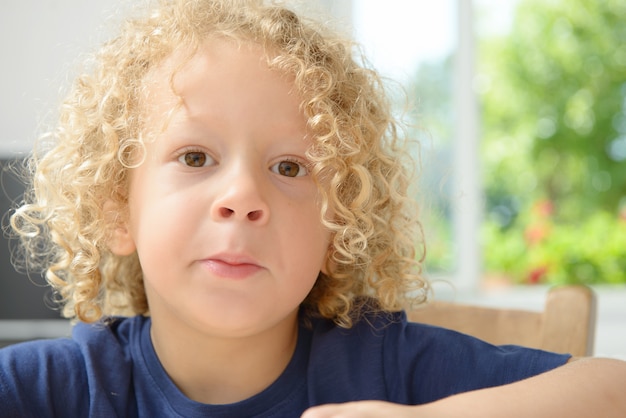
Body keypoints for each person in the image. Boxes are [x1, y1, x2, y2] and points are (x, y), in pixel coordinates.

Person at [1, 0, 624, 417]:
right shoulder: (60, 387)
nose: (243, 198)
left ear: (339, 224)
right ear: (117, 210)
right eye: (195, 158)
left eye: (290, 168)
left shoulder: (382, 366)